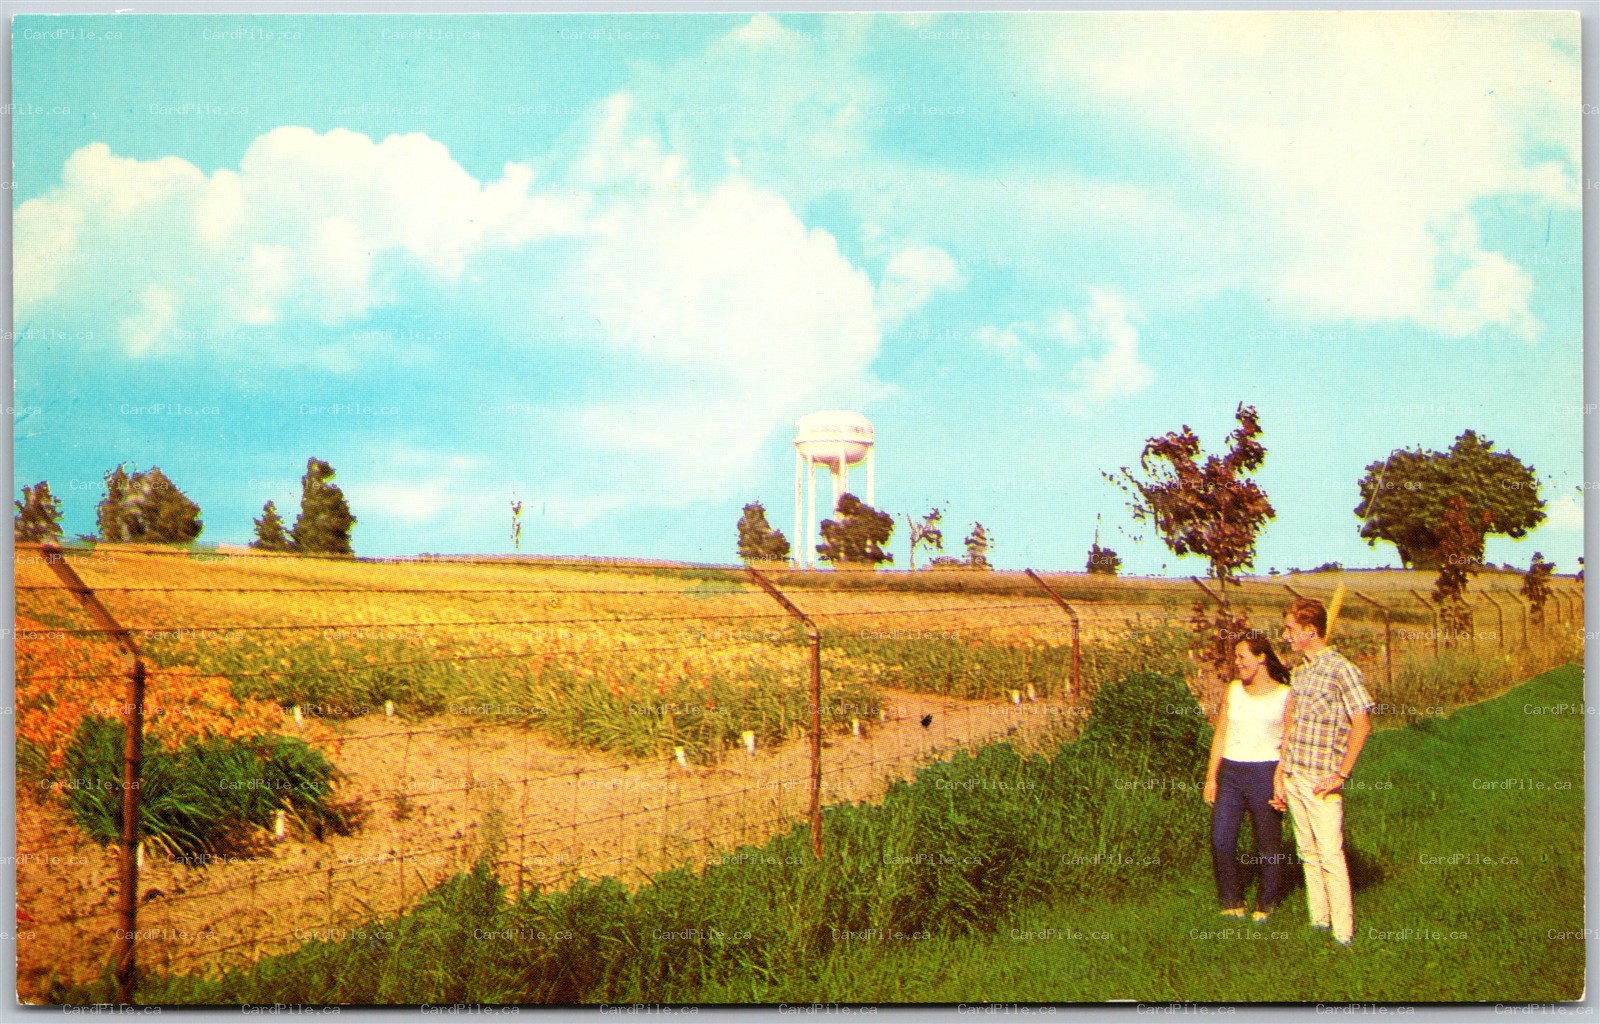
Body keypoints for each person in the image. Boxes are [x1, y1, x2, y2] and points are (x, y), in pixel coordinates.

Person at [1273, 597, 1374, 947]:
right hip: (1295, 774)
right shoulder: (1300, 671)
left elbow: (1361, 725)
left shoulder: (1341, 670)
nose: (1285, 636)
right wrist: (1281, 772)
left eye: (1290, 629)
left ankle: (1343, 934)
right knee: (1307, 851)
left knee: (1330, 854)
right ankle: (1319, 921)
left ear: (1310, 631)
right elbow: (1291, 722)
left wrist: (1341, 775)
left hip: (1322, 780)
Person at [1204, 634, 1291, 922]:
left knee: (1268, 845)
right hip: (1230, 773)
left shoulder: (1286, 695)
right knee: (1222, 841)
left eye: (1243, 657)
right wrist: (1211, 778)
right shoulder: (1233, 690)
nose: (1237, 663)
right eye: (1236, 658)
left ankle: (1267, 903)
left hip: (1265, 773)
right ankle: (1231, 900)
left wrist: (1282, 780)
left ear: (1262, 657)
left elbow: (1290, 742)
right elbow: (1221, 733)